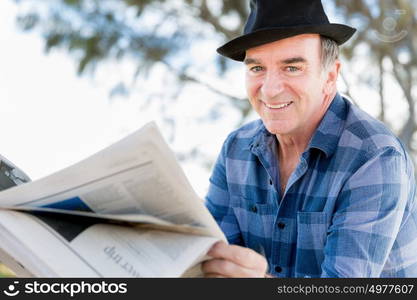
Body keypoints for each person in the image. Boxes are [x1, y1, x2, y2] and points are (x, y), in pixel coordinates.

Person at [203, 0, 417, 278]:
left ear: (330, 76)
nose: (270, 89)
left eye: (292, 67)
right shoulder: (236, 149)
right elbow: (211, 258)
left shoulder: (375, 156)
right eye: (257, 68)